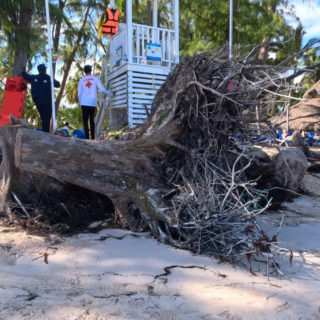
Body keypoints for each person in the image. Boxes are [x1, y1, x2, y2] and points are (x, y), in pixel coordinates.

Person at [22, 64, 60, 132]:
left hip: (37, 100)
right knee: (46, 117)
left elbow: (25, 76)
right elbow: (58, 84)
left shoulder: (33, 77)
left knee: (43, 117)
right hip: (46, 100)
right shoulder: (48, 77)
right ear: (44, 70)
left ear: (38, 70)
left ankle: (44, 131)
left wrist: (23, 71)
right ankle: (45, 133)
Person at [78, 65, 113, 140]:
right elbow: (102, 89)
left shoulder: (81, 80)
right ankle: (93, 138)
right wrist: (111, 94)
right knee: (92, 121)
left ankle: (87, 138)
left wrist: (80, 103)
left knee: (85, 121)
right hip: (92, 103)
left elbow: (79, 94)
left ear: (84, 71)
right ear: (91, 70)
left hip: (84, 103)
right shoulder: (95, 79)